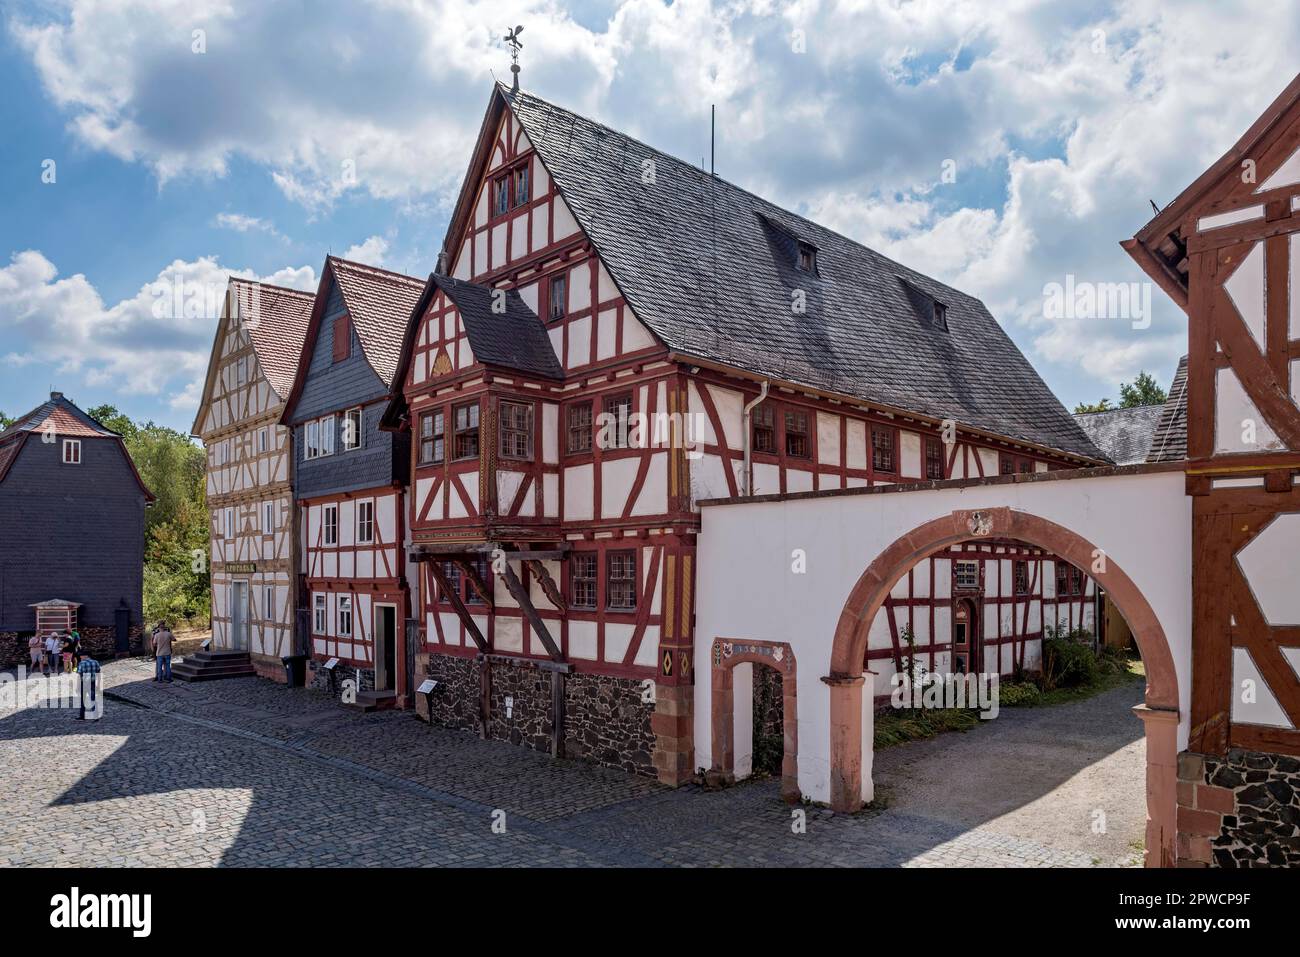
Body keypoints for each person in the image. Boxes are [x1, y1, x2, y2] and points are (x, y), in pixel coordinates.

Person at [76, 652, 101, 720]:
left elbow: (79, 675)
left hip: (84, 683)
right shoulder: (96, 662)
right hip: (92, 683)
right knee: (92, 699)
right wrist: (98, 684)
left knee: (82, 700)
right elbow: (98, 674)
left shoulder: (82, 663)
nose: (80, 657)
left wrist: (78, 686)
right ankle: (96, 715)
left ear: (86, 656)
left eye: (81, 656)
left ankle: (82, 716)